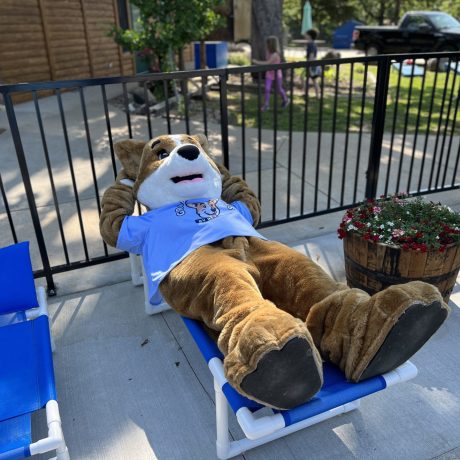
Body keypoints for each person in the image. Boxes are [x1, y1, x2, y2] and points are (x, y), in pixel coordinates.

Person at [253, 36, 290, 112]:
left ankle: (286, 99)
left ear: (271, 44)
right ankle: (266, 105)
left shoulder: (275, 54)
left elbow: (267, 63)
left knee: (279, 89)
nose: (266, 45)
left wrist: (256, 62)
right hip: (269, 74)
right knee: (267, 89)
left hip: (277, 74)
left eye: (267, 44)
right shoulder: (268, 52)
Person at [305, 28, 321, 99]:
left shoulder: (310, 44)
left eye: (307, 34)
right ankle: (311, 94)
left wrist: (308, 63)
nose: (305, 36)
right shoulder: (313, 44)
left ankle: (317, 95)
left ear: (310, 36)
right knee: (311, 80)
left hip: (312, 65)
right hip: (312, 64)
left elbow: (311, 55)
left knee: (313, 80)